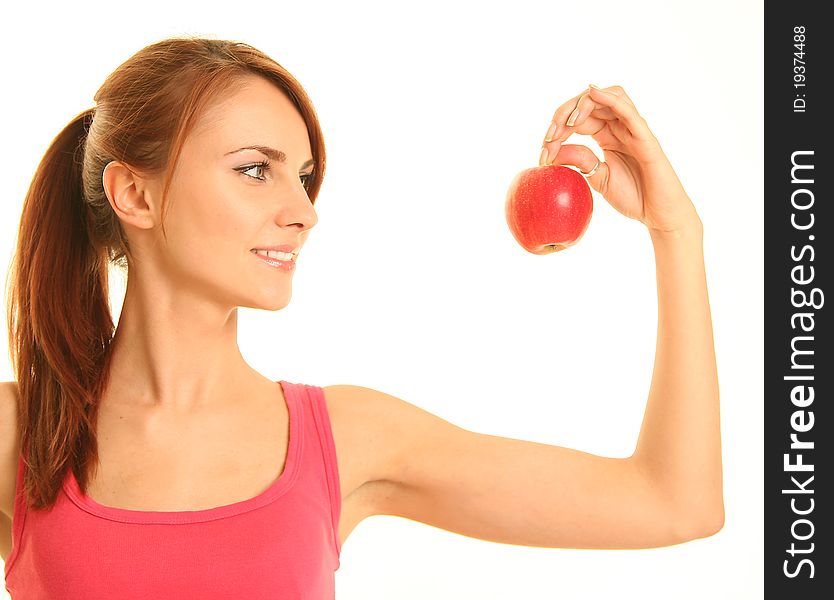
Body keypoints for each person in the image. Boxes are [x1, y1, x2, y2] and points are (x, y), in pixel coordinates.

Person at [0, 37, 723, 598]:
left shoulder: (345, 440)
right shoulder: (20, 434)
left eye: (304, 175)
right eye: (256, 169)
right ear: (135, 194)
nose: (305, 211)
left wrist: (676, 232)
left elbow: (673, 503)